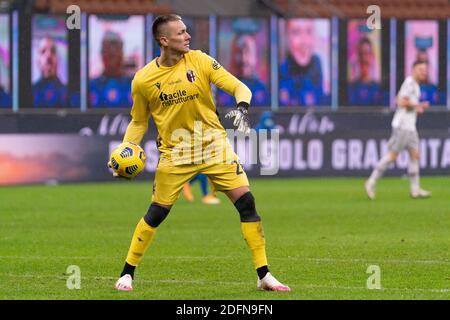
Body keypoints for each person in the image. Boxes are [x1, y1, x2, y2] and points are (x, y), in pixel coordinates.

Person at [111, 14, 290, 292]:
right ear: (164, 40)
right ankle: (127, 273)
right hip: (175, 152)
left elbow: (239, 86)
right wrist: (127, 149)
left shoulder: (201, 61)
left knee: (247, 203)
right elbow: (138, 121)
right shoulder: (143, 80)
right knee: (157, 213)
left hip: (213, 145)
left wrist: (242, 107)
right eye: (181, 33)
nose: (187, 36)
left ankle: (264, 275)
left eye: (187, 31)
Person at [365, 60, 432, 200]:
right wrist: (417, 105)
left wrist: (417, 108)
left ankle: (415, 190)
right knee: (392, 156)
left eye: (425, 70)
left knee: (415, 155)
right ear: (413, 70)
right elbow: (400, 101)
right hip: (402, 126)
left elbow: (406, 103)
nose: (423, 72)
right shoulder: (409, 83)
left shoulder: (415, 86)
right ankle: (371, 182)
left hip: (410, 127)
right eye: (421, 69)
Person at [279, 19, 326, 107]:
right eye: (296, 32)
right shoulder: (280, 71)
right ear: (286, 37)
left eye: (309, 32)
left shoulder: (317, 64)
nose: (304, 41)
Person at [217, 33, 269, 107]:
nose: (243, 59)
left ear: (255, 57)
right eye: (239, 53)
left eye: (248, 53)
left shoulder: (263, 90)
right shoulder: (224, 89)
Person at [90, 31, 133, 108]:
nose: (113, 59)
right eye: (109, 53)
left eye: (116, 50)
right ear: (102, 55)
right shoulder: (91, 86)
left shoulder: (134, 85)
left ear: (122, 54)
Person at [347, 37, 384, 106]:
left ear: (372, 56)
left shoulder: (379, 88)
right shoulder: (350, 88)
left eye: (367, 53)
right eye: (361, 54)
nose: (364, 58)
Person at [32, 36, 67, 107]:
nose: (48, 55)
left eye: (53, 51)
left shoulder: (67, 92)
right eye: (43, 51)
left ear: (58, 59)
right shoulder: (30, 92)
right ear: (37, 61)